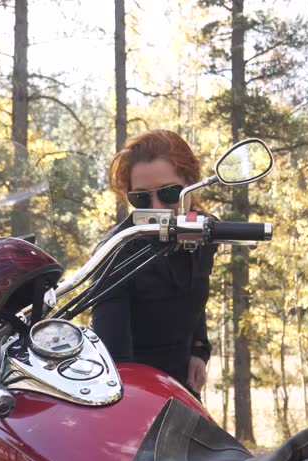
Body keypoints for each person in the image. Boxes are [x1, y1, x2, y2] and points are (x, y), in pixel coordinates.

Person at [91, 129, 217, 399]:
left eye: (170, 193)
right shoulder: (117, 251)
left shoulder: (203, 232)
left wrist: (199, 349)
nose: (157, 207)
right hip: (134, 395)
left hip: (184, 386)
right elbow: (117, 359)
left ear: (190, 186)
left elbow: (194, 290)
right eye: (142, 198)